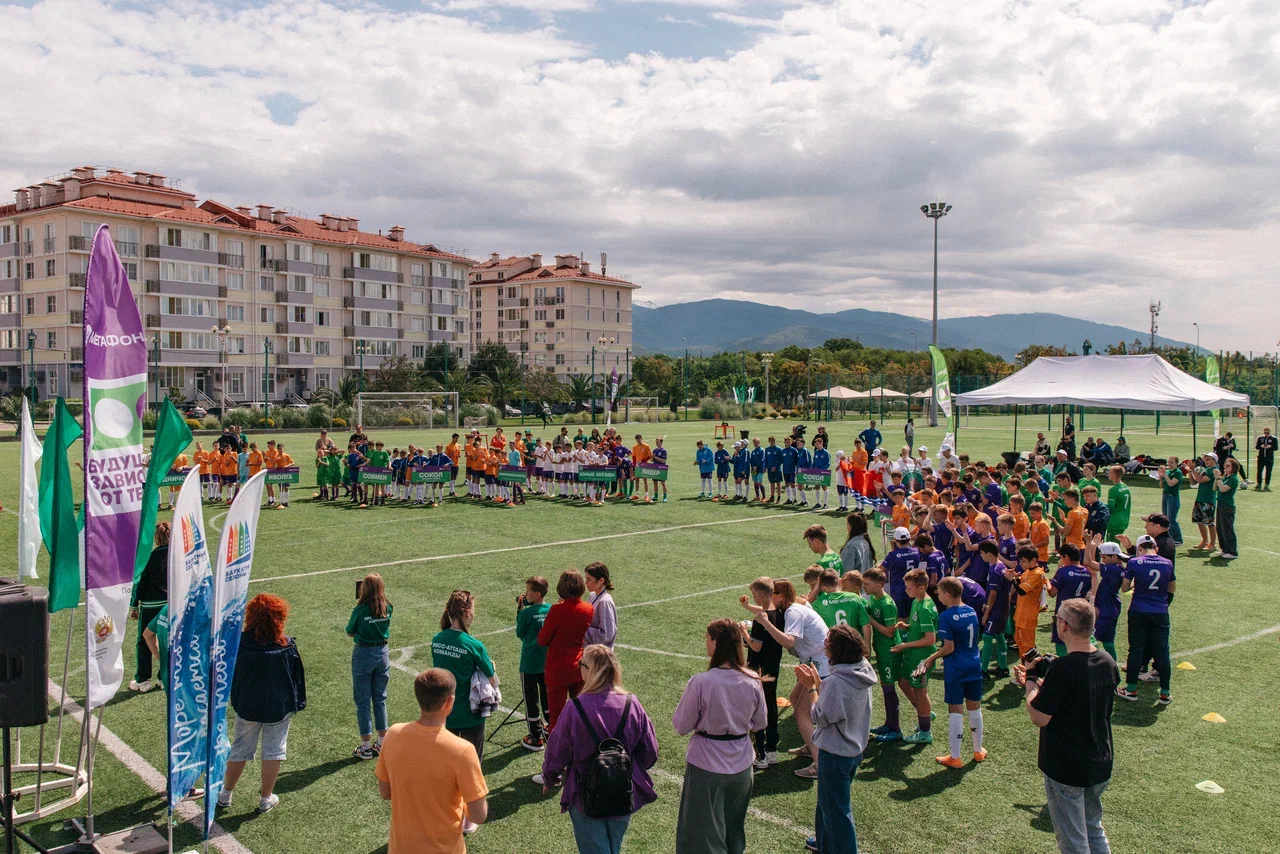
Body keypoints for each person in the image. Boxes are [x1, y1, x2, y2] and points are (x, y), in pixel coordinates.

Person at [1015, 598, 1119, 854]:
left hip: (1068, 765)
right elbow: (1076, 698)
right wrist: (1044, 685)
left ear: (1063, 626)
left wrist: (1030, 681)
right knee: (1093, 829)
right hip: (1099, 759)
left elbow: (1039, 716)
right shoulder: (1107, 661)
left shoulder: (1063, 668)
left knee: (1073, 842)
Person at [541, 645, 659, 854]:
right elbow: (649, 750)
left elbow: (557, 749)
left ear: (590, 671)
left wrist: (550, 777)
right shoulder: (632, 703)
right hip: (623, 791)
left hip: (585, 794)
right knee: (614, 847)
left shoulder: (575, 707)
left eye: (582, 665)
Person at [672, 620, 767, 854]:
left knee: (702, 836)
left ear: (716, 642)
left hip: (707, 764)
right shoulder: (752, 680)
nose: (705, 642)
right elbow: (760, 723)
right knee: (733, 831)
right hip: (743, 763)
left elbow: (681, 725)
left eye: (707, 638)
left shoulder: (702, 681)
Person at [375, 668, 488, 854]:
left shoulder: (393, 734)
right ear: (449, 702)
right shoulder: (462, 750)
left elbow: (385, 791)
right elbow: (478, 815)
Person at [217, 594, 305, 814]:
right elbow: (296, 678)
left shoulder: (240, 644)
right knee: (274, 751)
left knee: (240, 749)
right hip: (278, 707)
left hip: (248, 706)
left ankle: (226, 793)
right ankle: (266, 798)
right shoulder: (287, 646)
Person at [794, 625, 876, 854]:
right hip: (854, 749)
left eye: (828, 644)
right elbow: (837, 704)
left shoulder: (836, 682)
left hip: (835, 754)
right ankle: (823, 843)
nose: (824, 647)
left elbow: (819, 715)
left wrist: (811, 688)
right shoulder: (862, 669)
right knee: (827, 803)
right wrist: (818, 685)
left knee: (838, 812)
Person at [739, 579, 828, 778]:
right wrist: (749, 608)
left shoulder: (791, 613)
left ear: (779, 596)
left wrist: (754, 626)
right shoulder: (787, 609)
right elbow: (768, 611)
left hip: (819, 664)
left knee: (800, 714)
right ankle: (811, 743)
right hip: (812, 662)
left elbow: (788, 641)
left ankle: (819, 762)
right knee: (794, 699)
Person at [920, 577, 986, 768]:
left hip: (956, 667)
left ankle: (955, 757)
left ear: (947, 595)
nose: (938, 596)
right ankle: (978, 750)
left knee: (956, 709)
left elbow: (948, 647)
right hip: (974, 663)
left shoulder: (946, 616)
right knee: (975, 707)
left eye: (939, 593)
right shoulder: (971, 611)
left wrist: (931, 658)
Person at [431, 590, 497, 773]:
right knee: (472, 768)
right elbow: (493, 680)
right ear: (467, 612)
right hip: (471, 715)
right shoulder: (473, 645)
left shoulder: (437, 640)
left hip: (446, 713)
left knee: (446, 766)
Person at [537, 570, 595, 737]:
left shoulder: (556, 610)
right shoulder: (588, 608)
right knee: (582, 712)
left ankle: (557, 755)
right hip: (579, 667)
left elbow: (542, 639)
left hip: (557, 669)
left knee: (556, 717)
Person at [890, 568, 938, 744]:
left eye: (909, 587)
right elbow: (920, 629)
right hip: (913, 655)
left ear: (921, 587)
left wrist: (905, 645)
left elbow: (929, 639)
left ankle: (925, 732)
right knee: (903, 682)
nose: (906, 590)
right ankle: (925, 713)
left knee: (920, 691)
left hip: (922, 658)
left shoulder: (925, 607)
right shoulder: (917, 601)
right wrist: (908, 626)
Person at [348, 573, 393, 760]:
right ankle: (382, 743)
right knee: (380, 698)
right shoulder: (388, 607)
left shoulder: (360, 610)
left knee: (363, 700)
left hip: (364, 653)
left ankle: (365, 747)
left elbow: (350, 631)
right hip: (382, 653)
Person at [742, 577, 784, 769]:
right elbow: (763, 610)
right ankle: (772, 750)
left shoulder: (760, 621)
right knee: (771, 707)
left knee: (757, 709)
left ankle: (760, 754)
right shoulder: (778, 613)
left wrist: (744, 633)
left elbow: (756, 647)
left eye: (753, 596)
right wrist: (748, 606)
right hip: (773, 667)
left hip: (758, 670)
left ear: (760, 594)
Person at [128, 522, 170, 693]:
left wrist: (133, 605)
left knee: (144, 641)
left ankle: (143, 679)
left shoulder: (148, 558)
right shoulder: (177, 557)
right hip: (169, 604)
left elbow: (139, 582)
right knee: (168, 640)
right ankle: (163, 677)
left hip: (150, 605)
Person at [516, 576, 552, 751]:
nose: (525, 594)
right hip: (547, 663)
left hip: (529, 664)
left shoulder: (526, 613)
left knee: (531, 701)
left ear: (536, 594)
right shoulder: (552, 609)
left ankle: (535, 737)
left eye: (528, 591)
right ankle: (552, 729)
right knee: (548, 698)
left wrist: (520, 610)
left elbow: (520, 633)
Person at [584, 563, 618, 648]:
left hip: (599, 656)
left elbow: (606, 634)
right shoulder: (593, 595)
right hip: (591, 653)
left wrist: (582, 629)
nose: (585, 582)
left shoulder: (605, 602)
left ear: (601, 580)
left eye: (589, 579)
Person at [1213, 458, 1241, 559]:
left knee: (1227, 528)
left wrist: (1219, 479)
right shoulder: (1225, 477)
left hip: (1227, 505)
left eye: (1228, 466)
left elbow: (1223, 489)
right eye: (1225, 465)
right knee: (1220, 528)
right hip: (1220, 503)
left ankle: (1232, 551)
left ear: (1233, 468)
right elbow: (1214, 488)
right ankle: (1225, 549)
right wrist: (1217, 478)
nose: (1225, 467)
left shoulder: (1233, 478)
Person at [1191, 452, 1218, 551]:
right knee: (1199, 521)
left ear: (1214, 460)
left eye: (1208, 459)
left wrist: (1193, 470)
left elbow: (1200, 480)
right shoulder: (1205, 470)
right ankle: (1204, 541)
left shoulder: (1213, 471)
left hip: (1208, 500)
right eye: (1205, 459)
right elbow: (1193, 482)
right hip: (1200, 499)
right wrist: (1190, 472)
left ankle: (1212, 543)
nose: (1206, 461)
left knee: (1209, 522)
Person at [1157, 456, 1185, 545]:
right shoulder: (1168, 472)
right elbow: (1162, 486)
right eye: (1169, 462)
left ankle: (1178, 539)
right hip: (1165, 495)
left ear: (1176, 463)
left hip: (1172, 497)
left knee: (1171, 519)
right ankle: (1169, 537)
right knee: (1165, 518)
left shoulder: (1178, 472)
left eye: (1172, 462)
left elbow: (1171, 483)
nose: (1169, 464)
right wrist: (1161, 477)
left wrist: (1165, 474)